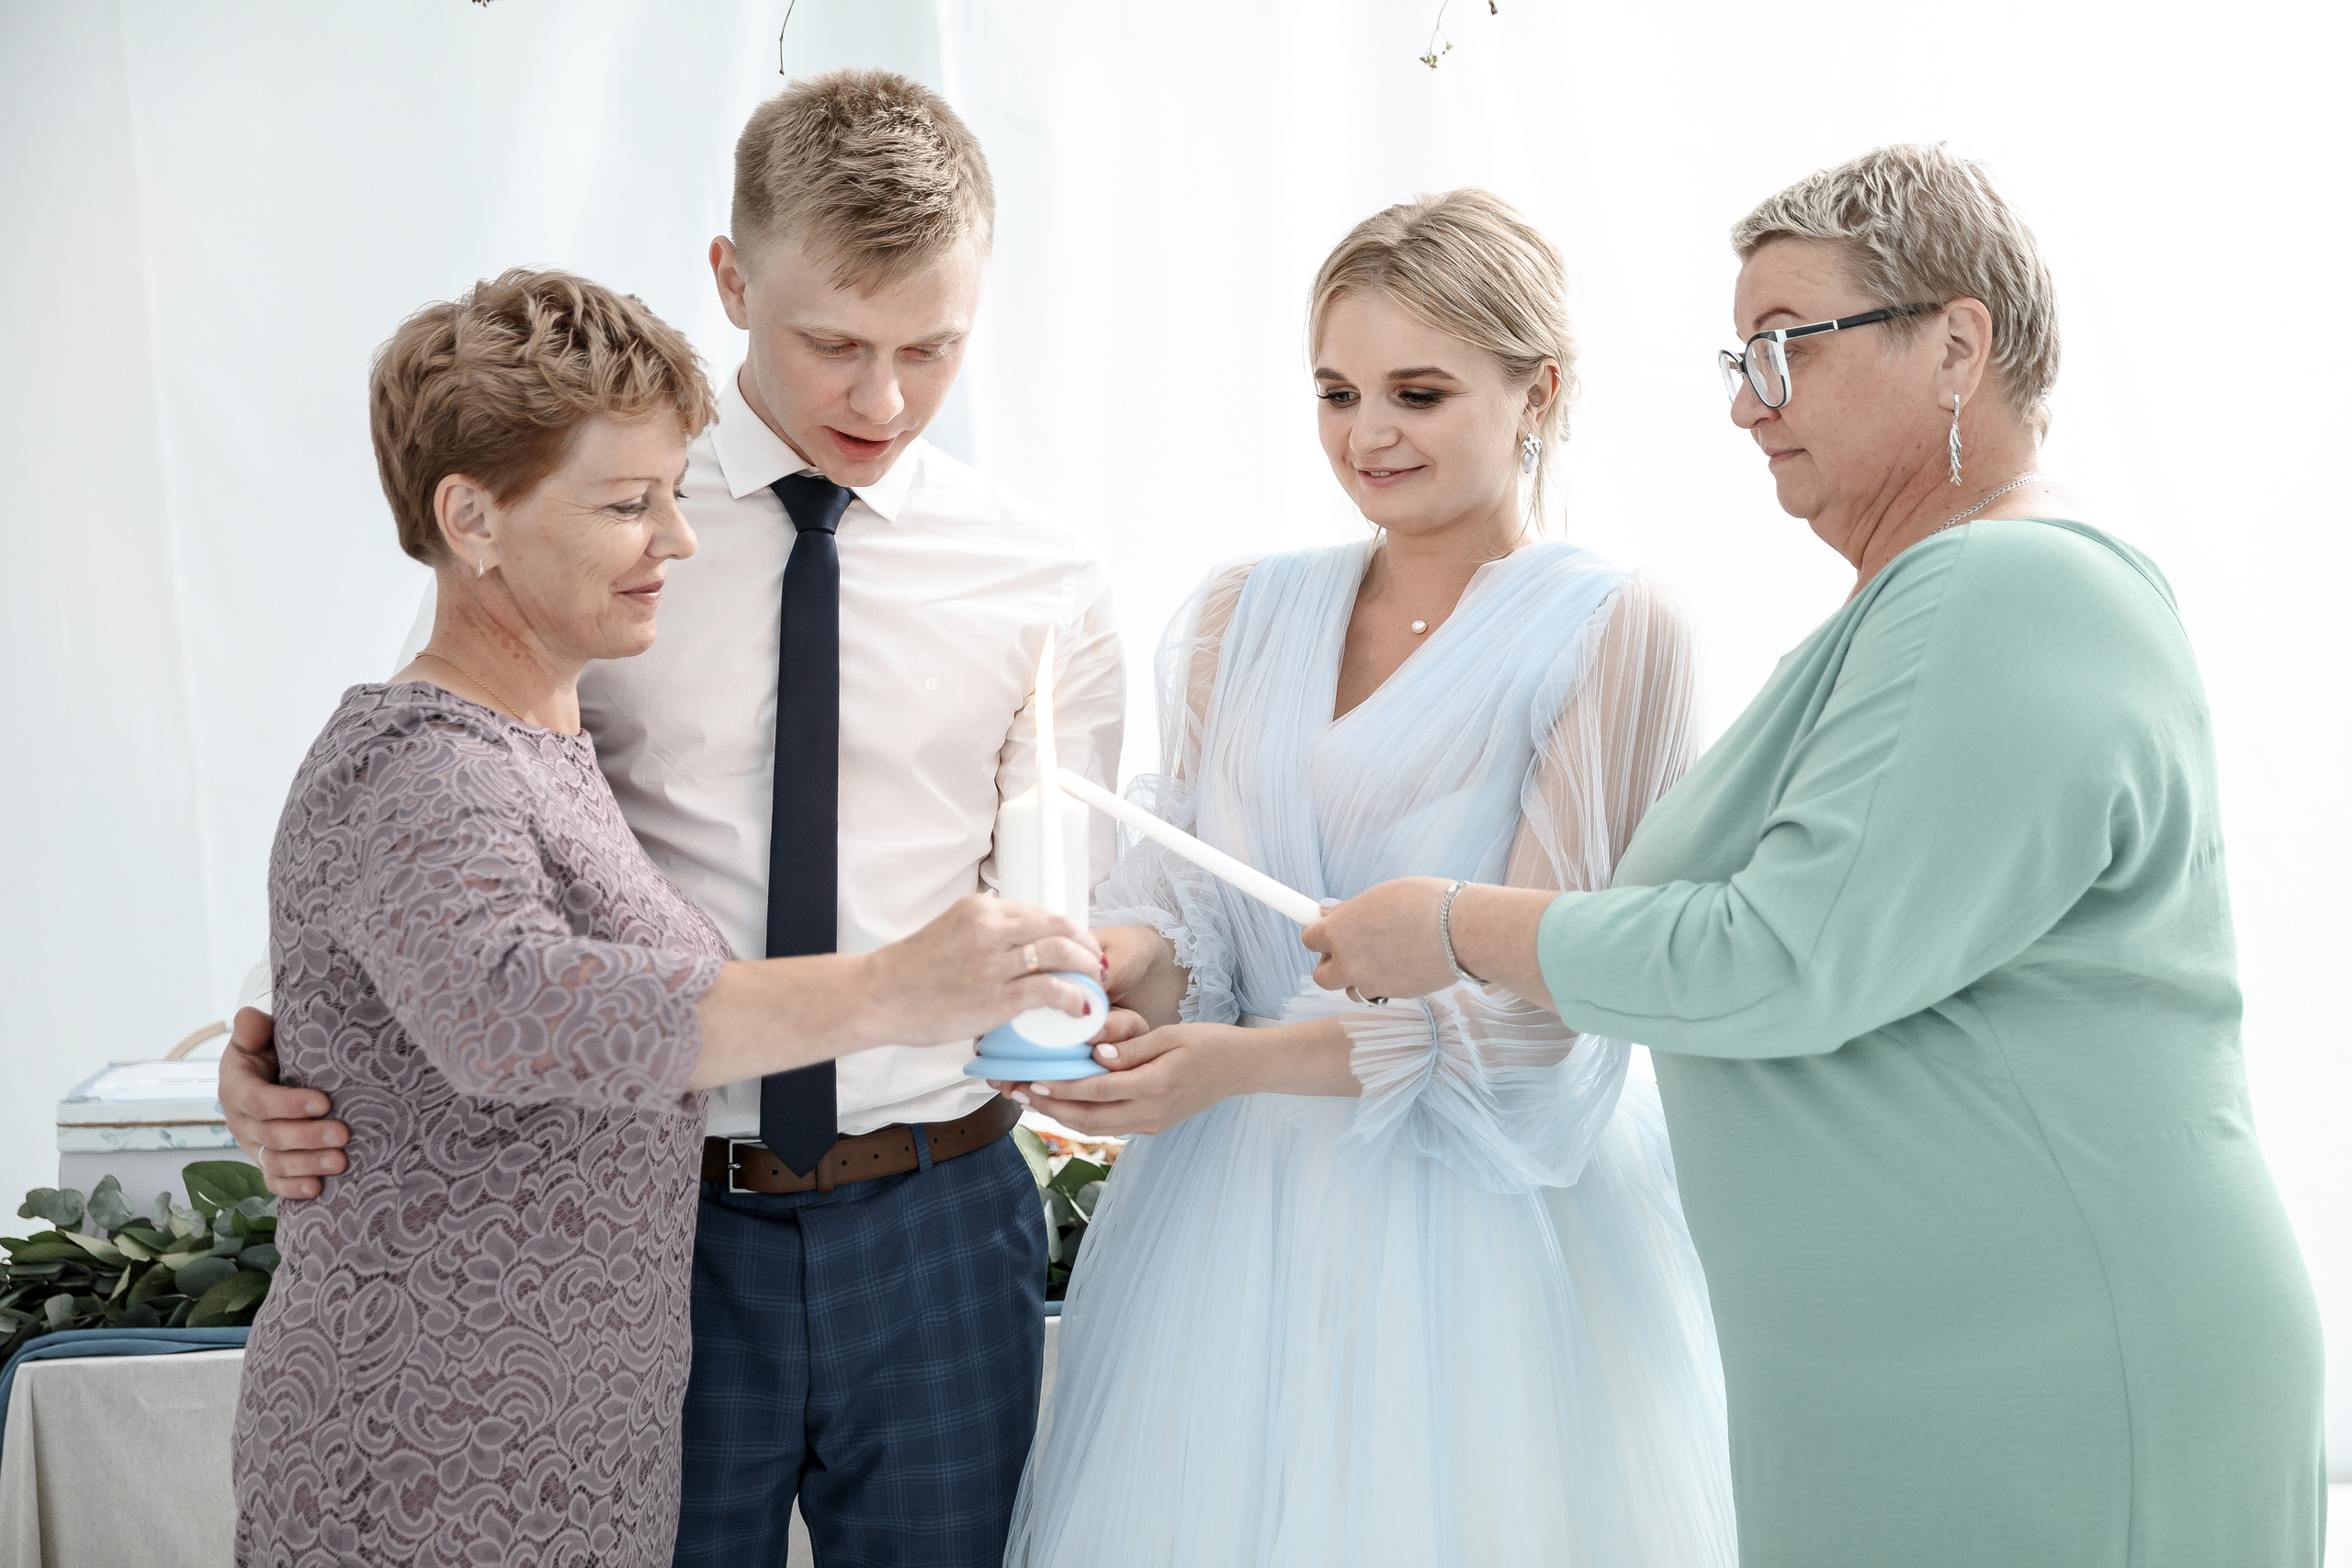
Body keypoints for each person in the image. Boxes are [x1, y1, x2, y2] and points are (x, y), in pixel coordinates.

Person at [1305, 146, 2325, 1568]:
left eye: (1786, 347)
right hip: (1930, 1393)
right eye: (1742, 358)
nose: (1746, 402)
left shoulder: (2005, 587)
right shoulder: (1932, 601)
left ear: (1956, 346)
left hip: (2049, 1388)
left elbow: (1784, 955)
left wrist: (1456, 928)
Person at [219, 72, 1125, 1567]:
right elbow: (439, 816)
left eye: (930, 349)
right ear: (732, 280)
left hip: (940, 1212)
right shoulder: (585, 515)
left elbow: (1076, 903)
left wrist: (1139, 1005)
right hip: (665, 1228)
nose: (881, 403)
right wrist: (281, 1055)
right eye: (834, 344)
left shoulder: (1043, 578)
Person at [996, 191, 1734, 1566]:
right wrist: (1124, 967)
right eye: (1337, 392)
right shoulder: (1241, 611)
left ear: (1539, 392)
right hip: (1221, 1230)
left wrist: (1234, 1067)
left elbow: (1547, 1020)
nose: (1366, 434)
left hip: (1484, 1243)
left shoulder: (1614, 626)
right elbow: (1196, 906)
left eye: (1418, 393)